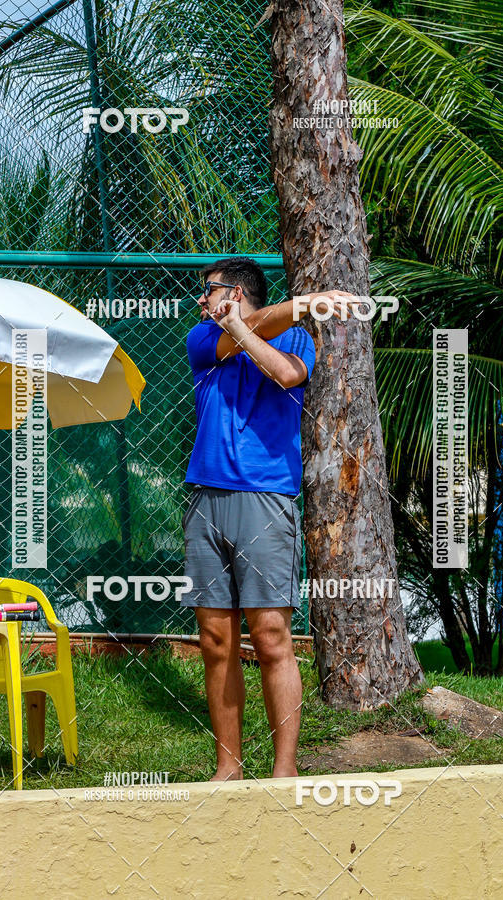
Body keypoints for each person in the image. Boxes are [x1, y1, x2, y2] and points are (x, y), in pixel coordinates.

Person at [181, 255, 350, 780]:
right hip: (205, 500)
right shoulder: (201, 339)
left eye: (209, 291)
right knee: (214, 641)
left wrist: (248, 322)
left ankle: (284, 771)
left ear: (235, 291)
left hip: (267, 499)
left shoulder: (297, 339)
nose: (202, 301)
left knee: (272, 635)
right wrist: (292, 307)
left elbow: (282, 373)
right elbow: (239, 334)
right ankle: (227, 768)